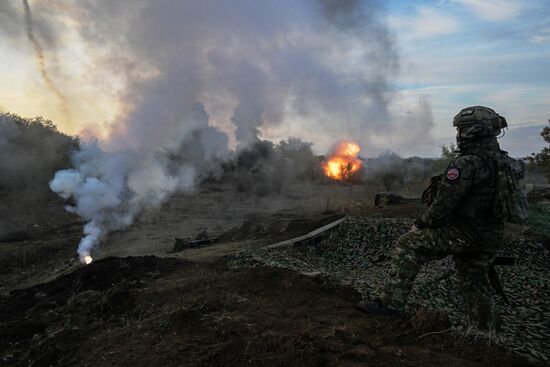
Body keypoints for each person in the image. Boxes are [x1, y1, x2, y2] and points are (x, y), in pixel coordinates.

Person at [358, 106, 512, 331]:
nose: (458, 134)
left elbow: (442, 206)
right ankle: (483, 332)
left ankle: (390, 305)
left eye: (461, 129)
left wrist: (420, 224)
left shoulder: (466, 164)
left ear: (471, 131)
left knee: (407, 245)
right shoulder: (507, 163)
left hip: (465, 233)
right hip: (492, 234)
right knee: (474, 278)